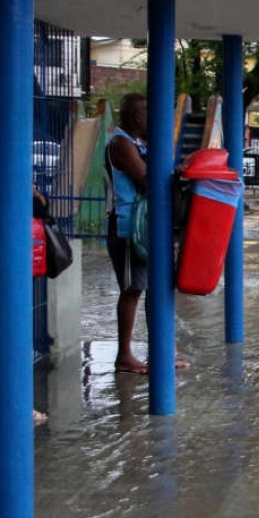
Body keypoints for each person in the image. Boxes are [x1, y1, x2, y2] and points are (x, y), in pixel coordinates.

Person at [105, 93, 150, 374]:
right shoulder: (121, 143)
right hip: (125, 226)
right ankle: (124, 354)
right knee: (132, 289)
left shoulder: (136, 143)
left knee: (147, 286)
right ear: (136, 117)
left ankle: (157, 349)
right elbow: (146, 179)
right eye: (148, 115)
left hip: (140, 226)